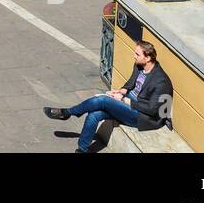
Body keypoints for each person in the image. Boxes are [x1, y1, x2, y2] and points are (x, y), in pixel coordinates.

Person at [44, 41, 173, 153]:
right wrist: (121, 91)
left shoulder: (160, 81)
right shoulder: (139, 66)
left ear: (148, 58)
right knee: (94, 114)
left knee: (102, 100)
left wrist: (123, 100)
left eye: (137, 54)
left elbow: (151, 109)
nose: (134, 56)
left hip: (142, 116)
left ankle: (68, 112)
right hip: (128, 103)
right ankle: (82, 149)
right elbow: (131, 82)